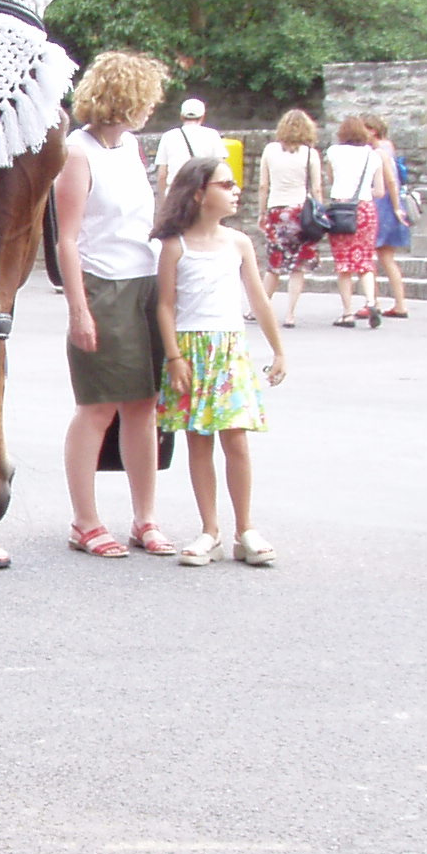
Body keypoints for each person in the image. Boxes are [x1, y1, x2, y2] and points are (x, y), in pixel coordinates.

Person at [55, 50, 177, 559]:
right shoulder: (77, 152)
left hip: (145, 283)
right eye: (146, 99)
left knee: (144, 406)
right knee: (97, 407)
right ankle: (85, 520)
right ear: (127, 98)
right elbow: (66, 238)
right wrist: (79, 310)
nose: (151, 109)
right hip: (102, 285)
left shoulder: (130, 149)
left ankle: (145, 517)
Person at [154, 155, 287, 566]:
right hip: (191, 352)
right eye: (225, 185)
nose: (235, 192)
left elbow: (259, 300)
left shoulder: (238, 243)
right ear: (199, 193)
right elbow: (164, 305)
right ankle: (209, 529)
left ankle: (244, 528)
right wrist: (174, 356)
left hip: (230, 352)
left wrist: (278, 348)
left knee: (237, 440)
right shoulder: (175, 247)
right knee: (198, 441)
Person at [255, 108, 323, 329]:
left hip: (277, 209)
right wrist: (320, 211)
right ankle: (290, 314)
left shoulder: (270, 150)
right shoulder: (311, 154)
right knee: (298, 265)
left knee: (275, 262)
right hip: (300, 211)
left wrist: (262, 212)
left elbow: (263, 185)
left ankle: (260, 309)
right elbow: (317, 187)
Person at [324, 115, 384, 327]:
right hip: (365, 209)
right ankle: (371, 302)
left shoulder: (334, 152)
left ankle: (347, 313)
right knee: (365, 260)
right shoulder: (373, 156)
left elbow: (331, 179)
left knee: (344, 264)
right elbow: (380, 190)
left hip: (342, 208)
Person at [363, 113, 412, 318]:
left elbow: (389, 181)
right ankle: (400, 302)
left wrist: (393, 207)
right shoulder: (389, 148)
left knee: (370, 257)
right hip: (392, 206)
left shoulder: (378, 152)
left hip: (380, 205)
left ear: (372, 130)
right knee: (387, 257)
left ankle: (373, 302)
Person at [153, 95, 227, 196]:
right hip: (202, 192)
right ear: (203, 116)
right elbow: (220, 167)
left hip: (175, 193)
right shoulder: (212, 135)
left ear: (181, 116)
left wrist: (163, 201)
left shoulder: (168, 136)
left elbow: (162, 175)